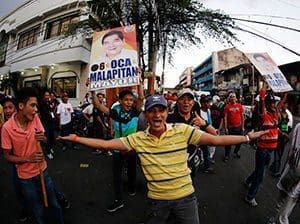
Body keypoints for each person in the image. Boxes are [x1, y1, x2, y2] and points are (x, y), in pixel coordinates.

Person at [58, 94, 267, 224]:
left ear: (167, 113)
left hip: (186, 199)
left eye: (161, 110)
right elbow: (105, 145)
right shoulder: (138, 139)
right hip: (157, 201)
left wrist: (247, 137)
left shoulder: (182, 130)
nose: (157, 115)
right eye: (152, 111)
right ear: (146, 116)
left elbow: (215, 140)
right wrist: (76, 138)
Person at [1, 87, 65, 224]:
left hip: (42, 170)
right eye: (32, 105)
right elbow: (6, 156)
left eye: (36, 105)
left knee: (54, 204)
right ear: (21, 106)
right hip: (24, 177)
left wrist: (43, 138)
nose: (36, 109)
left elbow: (46, 140)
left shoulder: (35, 118)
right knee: (37, 209)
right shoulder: (6, 128)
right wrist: (27, 159)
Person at [91, 84, 144, 212]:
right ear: (120, 101)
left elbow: (141, 98)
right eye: (126, 100)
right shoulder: (115, 112)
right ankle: (118, 199)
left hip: (131, 147)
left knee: (132, 170)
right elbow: (98, 106)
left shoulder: (135, 111)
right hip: (117, 147)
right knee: (116, 175)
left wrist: (140, 82)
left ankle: (132, 186)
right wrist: (92, 90)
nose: (129, 102)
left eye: (131, 100)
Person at [244, 84, 283, 207]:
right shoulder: (264, 115)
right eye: (271, 103)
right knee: (260, 176)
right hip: (263, 150)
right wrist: (263, 88)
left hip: (270, 150)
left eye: (274, 103)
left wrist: (285, 92)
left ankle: (248, 181)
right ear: (266, 104)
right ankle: (250, 197)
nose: (273, 105)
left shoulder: (275, 115)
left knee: (259, 170)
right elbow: (261, 102)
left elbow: (281, 103)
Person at [167, 89, 217, 176]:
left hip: (192, 162)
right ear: (178, 102)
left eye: (189, 99)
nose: (186, 102)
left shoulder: (197, 119)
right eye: (182, 99)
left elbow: (215, 135)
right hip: (173, 163)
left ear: (193, 103)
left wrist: (204, 123)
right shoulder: (169, 118)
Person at [267, 123, 300, 224]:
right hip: (289, 171)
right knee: (280, 202)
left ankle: (275, 219)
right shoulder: (298, 126)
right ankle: (273, 220)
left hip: (297, 180)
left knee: (284, 214)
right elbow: (291, 150)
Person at [223, 92, 245, 161]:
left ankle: (236, 151)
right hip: (230, 127)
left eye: (233, 97)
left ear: (236, 98)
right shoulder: (227, 107)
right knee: (228, 142)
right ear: (229, 98)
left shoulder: (240, 106)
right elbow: (225, 117)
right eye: (231, 97)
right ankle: (227, 155)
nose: (232, 98)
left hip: (238, 127)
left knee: (239, 141)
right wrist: (226, 128)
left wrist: (242, 127)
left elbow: (242, 117)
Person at [39, 90, 56, 159]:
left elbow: (51, 110)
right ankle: (48, 152)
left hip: (51, 122)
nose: (47, 97)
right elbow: (42, 112)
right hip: (45, 123)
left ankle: (50, 147)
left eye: (48, 95)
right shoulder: (41, 103)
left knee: (52, 136)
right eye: (46, 95)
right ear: (43, 96)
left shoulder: (49, 102)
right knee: (47, 137)